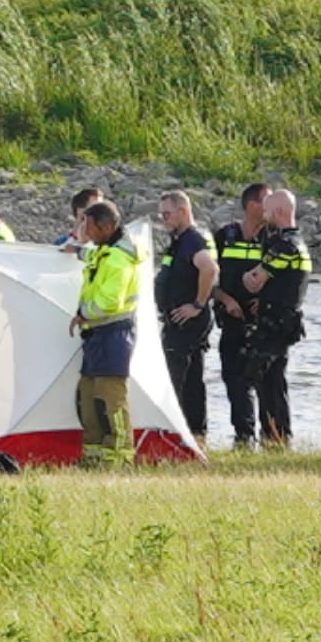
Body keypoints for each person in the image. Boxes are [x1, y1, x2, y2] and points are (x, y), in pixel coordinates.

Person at [69, 202, 141, 466]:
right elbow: (91, 257)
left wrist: (83, 314)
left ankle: (121, 456)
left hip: (113, 334)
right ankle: (94, 455)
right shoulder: (104, 251)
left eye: (89, 226)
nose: (85, 231)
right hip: (97, 335)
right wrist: (76, 248)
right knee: (88, 396)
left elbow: (109, 302)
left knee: (111, 397)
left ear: (107, 227)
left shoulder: (119, 259)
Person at [242, 189, 310, 447]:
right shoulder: (299, 242)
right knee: (274, 380)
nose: (264, 215)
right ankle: (277, 435)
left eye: (268, 210)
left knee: (265, 380)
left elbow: (254, 282)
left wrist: (246, 277)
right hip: (285, 321)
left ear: (280, 212)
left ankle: (274, 435)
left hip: (274, 324)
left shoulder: (284, 246)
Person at [155, 190, 217, 448]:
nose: (164, 219)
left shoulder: (193, 240)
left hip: (186, 322)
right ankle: (193, 433)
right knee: (191, 378)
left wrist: (198, 304)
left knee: (178, 378)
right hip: (176, 320)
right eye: (161, 215)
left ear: (183, 211)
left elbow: (210, 268)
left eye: (167, 214)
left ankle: (181, 433)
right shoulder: (178, 241)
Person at [211, 183, 269, 449]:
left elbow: (283, 278)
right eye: (267, 202)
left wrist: (266, 301)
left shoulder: (272, 239)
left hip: (263, 323)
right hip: (232, 319)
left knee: (266, 380)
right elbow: (206, 277)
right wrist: (225, 299)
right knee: (234, 379)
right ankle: (243, 435)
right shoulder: (225, 236)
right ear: (252, 206)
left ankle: (274, 435)